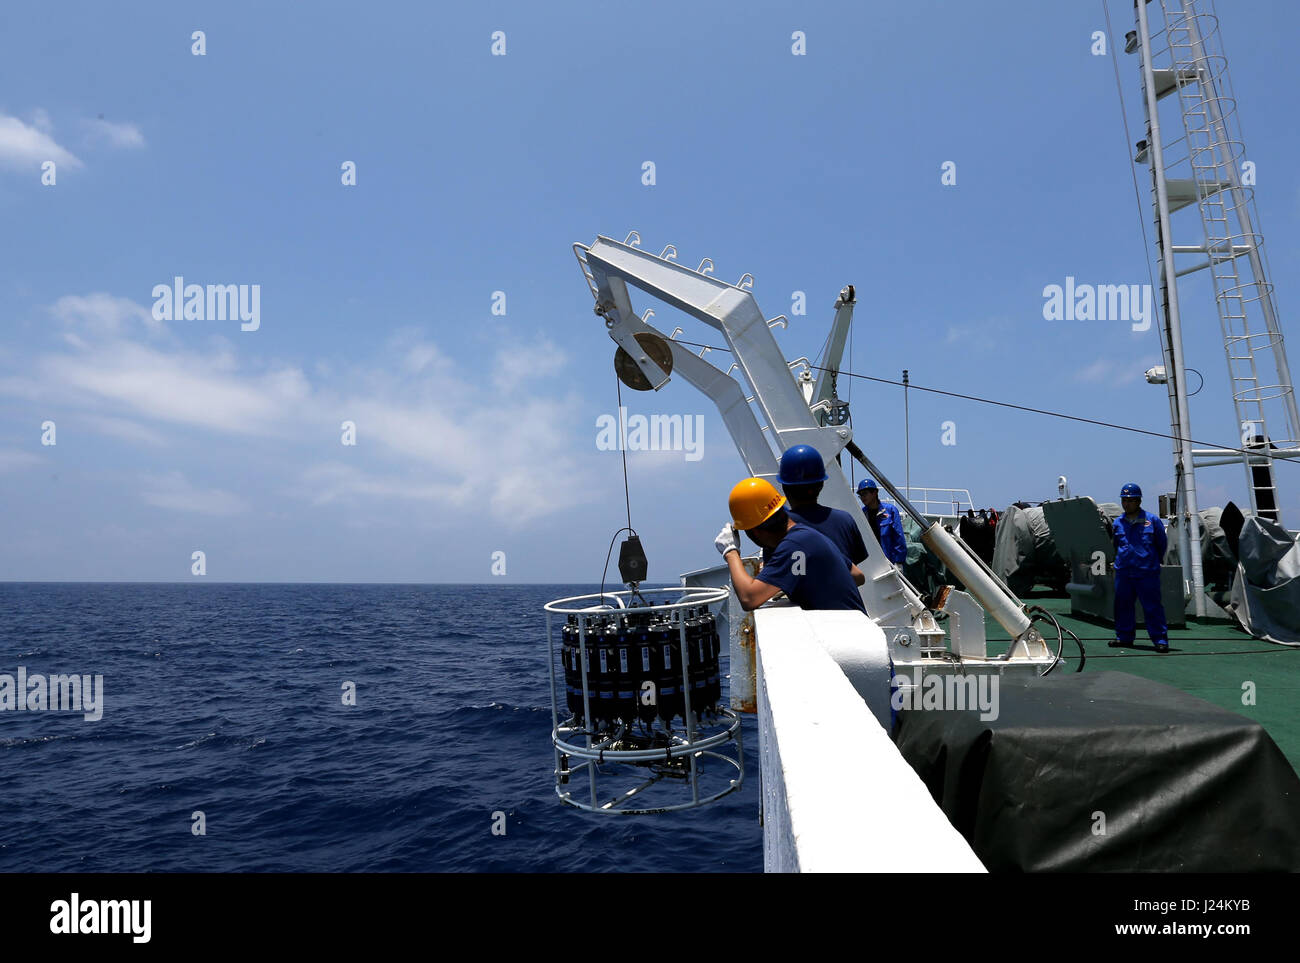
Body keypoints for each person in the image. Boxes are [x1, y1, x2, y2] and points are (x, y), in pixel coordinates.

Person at [715, 477, 867, 614]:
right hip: (856, 630)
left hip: (845, 639)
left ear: (755, 532)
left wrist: (730, 551)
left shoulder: (793, 546)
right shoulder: (808, 535)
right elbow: (857, 576)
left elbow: (749, 598)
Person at [770, 444, 868, 585]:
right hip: (846, 604)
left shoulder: (780, 527)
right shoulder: (846, 520)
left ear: (784, 486)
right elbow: (854, 568)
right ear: (821, 484)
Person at [1109, 482, 1169, 653]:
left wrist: (1150, 561)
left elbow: (1161, 544)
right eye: (1124, 500)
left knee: (1152, 607)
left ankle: (1160, 639)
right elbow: (1115, 545)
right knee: (1122, 606)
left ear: (1138, 501)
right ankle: (1124, 637)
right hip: (1124, 572)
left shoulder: (1153, 521)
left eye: (1130, 500)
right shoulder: (1118, 523)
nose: (1126, 504)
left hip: (1146, 573)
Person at [856, 479, 907, 564]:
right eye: (860, 495)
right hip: (872, 563)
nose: (862, 497)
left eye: (865, 494)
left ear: (875, 493)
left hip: (890, 562)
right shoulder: (862, 514)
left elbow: (899, 537)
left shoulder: (890, 511)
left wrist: (899, 562)